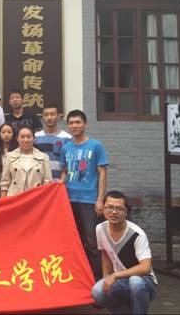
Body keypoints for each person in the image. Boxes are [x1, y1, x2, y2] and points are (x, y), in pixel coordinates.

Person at [60, 109, 109, 280]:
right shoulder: (66, 148)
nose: (74, 126)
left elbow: (102, 173)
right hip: (70, 200)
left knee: (92, 243)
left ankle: (97, 280)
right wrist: (59, 185)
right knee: (75, 242)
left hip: (90, 201)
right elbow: (65, 172)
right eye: (71, 123)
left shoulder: (96, 146)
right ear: (68, 125)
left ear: (85, 124)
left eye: (78, 122)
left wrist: (100, 199)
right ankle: (79, 278)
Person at [91, 191, 157, 315]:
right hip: (121, 281)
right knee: (97, 292)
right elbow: (105, 253)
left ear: (126, 212)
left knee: (135, 282)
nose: (114, 212)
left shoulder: (137, 234)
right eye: (109, 207)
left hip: (145, 282)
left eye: (119, 209)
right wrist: (106, 277)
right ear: (103, 209)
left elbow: (146, 268)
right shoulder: (100, 228)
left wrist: (115, 276)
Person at [0, 126, 52, 197]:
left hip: (36, 198)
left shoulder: (43, 157)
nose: (26, 140)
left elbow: (48, 183)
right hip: (14, 197)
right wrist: (3, 201)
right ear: (17, 139)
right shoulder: (9, 156)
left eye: (29, 137)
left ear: (34, 138)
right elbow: (4, 184)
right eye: (22, 137)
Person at [34, 103, 72, 181]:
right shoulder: (36, 137)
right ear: (42, 117)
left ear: (58, 117)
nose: (49, 118)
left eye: (52, 114)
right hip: (39, 182)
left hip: (58, 182)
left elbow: (69, 163)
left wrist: (62, 180)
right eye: (46, 115)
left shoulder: (67, 138)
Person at [0, 123, 18, 195]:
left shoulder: (18, 152)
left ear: (13, 134)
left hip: (14, 190)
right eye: (3, 132)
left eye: (9, 132)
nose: (6, 134)